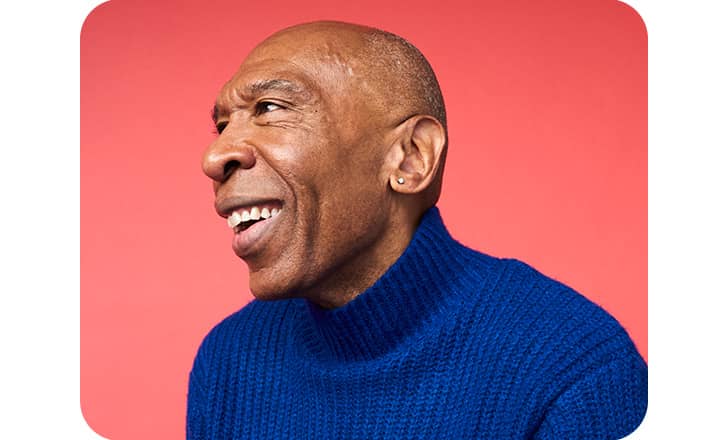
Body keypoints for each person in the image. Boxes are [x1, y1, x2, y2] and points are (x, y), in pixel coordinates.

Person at [187, 20, 647, 439]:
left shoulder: (573, 371)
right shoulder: (228, 362)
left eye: (269, 108)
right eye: (222, 125)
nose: (215, 157)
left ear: (410, 158)